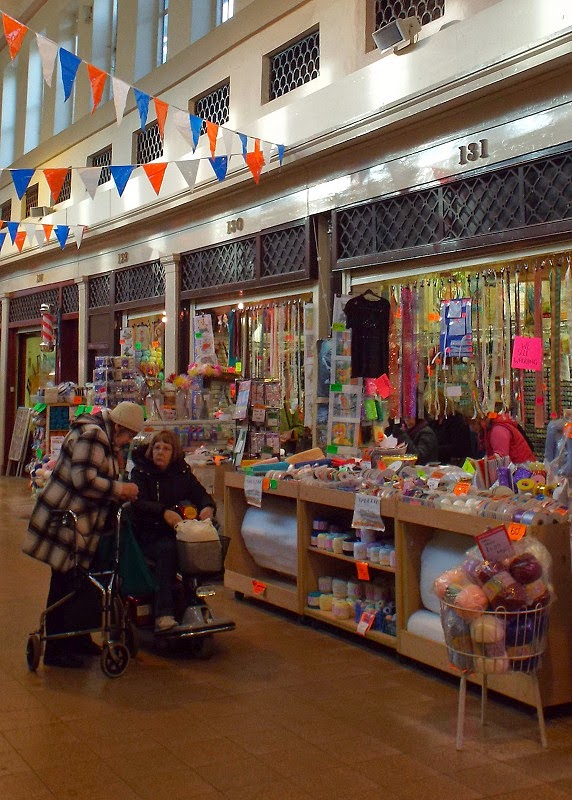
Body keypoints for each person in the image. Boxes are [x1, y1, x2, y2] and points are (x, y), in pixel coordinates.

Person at [23, 401, 144, 668]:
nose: (127, 442)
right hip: (67, 521)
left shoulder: (102, 437)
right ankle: (57, 646)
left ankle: (76, 638)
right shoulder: (94, 435)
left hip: (77, 523)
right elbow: (84, 480)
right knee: (65, 581)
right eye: (129, 436)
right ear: (121, 427)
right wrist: (121, 489)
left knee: (76, 581)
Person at [130, 429, 216, 632]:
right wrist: (163, 513)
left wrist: (208, 507)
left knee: (203, 545)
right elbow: (138, 503)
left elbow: (201, 494)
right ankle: (163, 613)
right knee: (168, 551)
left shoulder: (182, 473)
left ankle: (192, 600)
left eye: (166, 448)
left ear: (174, 453)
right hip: (148, 533)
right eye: (157, 448)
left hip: (178, 532)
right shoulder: (140, 473)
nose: (160, 452)